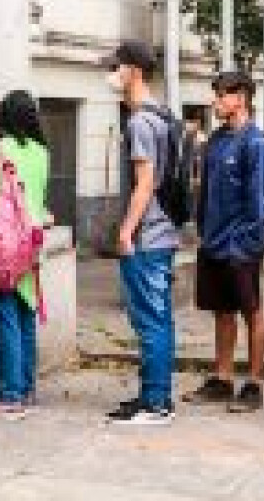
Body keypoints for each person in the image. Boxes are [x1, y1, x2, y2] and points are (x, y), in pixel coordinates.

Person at [184, 70, 264, 412]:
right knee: (222, 312)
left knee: (251, 311)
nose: (215, 101)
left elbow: (260, 202)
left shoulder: (257, 144)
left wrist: (249, 242)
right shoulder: (216, 142)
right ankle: (222, 378)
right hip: (213, 242)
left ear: (241, 98)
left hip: (241, 244)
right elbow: (205, 192)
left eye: (221, 95)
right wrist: (205, 234)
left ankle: (254, 384)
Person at [103, 40, 182, 425]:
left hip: (147, 235)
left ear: (133, 70)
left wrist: (126, 230)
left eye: (115, 67)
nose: (110, 74)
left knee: (149, 320)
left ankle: (155, 402)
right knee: (160, 318)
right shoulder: (162, 115)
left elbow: (145, 181)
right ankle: (156, 395)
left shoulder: (139, 122)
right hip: (163, 232)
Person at [0, 90, 50, 421]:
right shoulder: (42, 152)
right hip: (32, 240)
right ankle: (26, 387)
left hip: (4, 242)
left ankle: (11, 394)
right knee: (25, 310)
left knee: (5, 318)